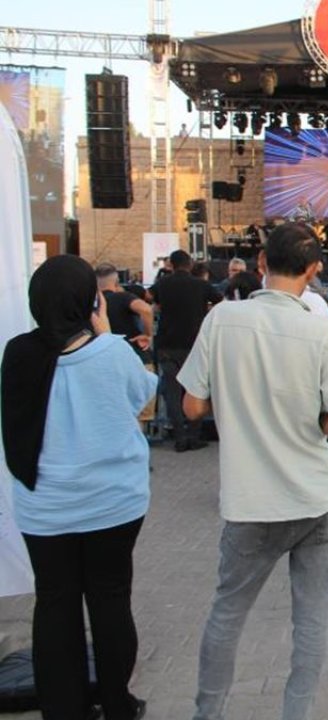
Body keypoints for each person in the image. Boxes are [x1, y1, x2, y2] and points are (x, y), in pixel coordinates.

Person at [178, 224, 328, 720]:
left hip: (250, 500)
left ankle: (207, 713)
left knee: (228, 612)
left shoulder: (222, 320)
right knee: (312, 618)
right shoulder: (320, 329)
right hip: (317, 497)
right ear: (315, 269)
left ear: (260, 261)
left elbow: (192, 406)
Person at [2, 255, 155, 720]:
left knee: (54, 602)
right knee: (110, 598)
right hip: (112, 503)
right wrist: (106, 337)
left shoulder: (18, 353)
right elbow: (142, 394)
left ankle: (63, 709)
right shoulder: (110, 351)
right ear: (91, 301)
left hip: (44, 506)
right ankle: (116, 702)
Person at [151, 249, 220, 452]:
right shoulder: (201, 285)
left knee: (172, 392)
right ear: (189, 264)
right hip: (194, 344)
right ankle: (193, 435)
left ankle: (179, 436)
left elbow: (149, 298)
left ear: (171, 265)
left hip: (167, 344)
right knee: (196, 388)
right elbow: (219, 301)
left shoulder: (163, 284)